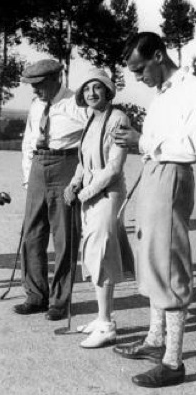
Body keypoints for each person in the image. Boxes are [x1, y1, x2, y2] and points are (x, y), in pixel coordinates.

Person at [111, 32, 196, 388]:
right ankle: (155, 341)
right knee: (151, 257)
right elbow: (157, 142)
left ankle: (174, 362)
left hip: (173, 174)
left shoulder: (190, 89)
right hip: (154, 172)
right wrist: (140, 144)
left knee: (167, 263)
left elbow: (190, 146)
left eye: (140, 69)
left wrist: (140, 141)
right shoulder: (162, 94)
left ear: (159, 55)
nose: (138, 79)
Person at [64, 68, 132, 348]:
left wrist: (87, 192)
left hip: (107, 194)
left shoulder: (118, 119)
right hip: (90, 195)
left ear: (108, 91)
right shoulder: (92, 118)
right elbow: (85, 160)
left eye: (98, 88)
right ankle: (102, 316)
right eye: (87, 89)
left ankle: (106, 325)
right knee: (93, 253)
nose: (91, 93)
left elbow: (114, 167)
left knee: (101, 252)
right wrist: (74, 183)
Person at [16, 59, 88, 321]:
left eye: (39, 85)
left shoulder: (77, 103)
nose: (35, 91)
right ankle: (35, 295)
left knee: (64, 237)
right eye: (32, 86)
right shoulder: (36, 105)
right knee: (32, 234)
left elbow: (94, 134)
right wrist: (28, 177)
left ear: (57, 78)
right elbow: (28, 140)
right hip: (38, 166)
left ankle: (59, 301)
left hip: (65, 166)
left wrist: (82, 176)